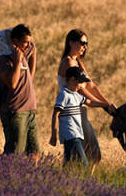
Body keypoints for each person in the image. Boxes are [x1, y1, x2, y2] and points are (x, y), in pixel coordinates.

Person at [58, 29, 116, 171]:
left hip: (81, 111)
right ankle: (78, 183)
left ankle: (86, 183)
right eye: (82, 43)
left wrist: (107, 103)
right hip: (73, 112)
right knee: (80, 156)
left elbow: (91, 86)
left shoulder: (78, 62)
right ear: (71, 42)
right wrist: (102, 105)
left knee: (94, 155)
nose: (85, 46)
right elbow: (81, 90)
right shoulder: (68, 63)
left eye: (86, 43)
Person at [0, 24, 40, 163]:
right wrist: (17, 61)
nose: (28, 46)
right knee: (14, 155)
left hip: (29, 111)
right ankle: (3, 179)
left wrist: (33, 55)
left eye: (29, 42)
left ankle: (29, 180)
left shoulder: (22, 57)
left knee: (34, 153)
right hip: (15, 113)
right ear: (15, 41)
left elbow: (29, 79)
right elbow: (12, 84)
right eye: (25, 42)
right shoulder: (4, 60)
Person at [50, 66, 110, 167]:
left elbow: (89, 102)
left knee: (69, 165)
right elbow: (56, 114)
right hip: (71, 135)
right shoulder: (64, 95)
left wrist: (105, 104)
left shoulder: (76, 95)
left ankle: (61, 181)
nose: (81, 85)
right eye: (80, 82)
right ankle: (82, 181)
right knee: (84, 165)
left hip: (77, 134)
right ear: (72, 79)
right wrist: (54, 135)